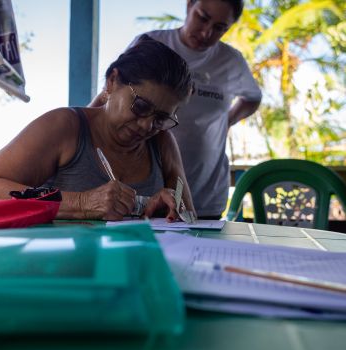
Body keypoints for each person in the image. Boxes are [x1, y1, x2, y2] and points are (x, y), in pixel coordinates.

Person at [0, 36, 195, 221]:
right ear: (112, 82)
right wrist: (81, 202)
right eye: (140, 106)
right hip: (58, 274)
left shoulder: (161, 142)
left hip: (131, 275)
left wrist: (161, 208)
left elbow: (188, 219)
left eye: (162, 118)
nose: (147, 125)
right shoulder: (65, 127)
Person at [91, 0, 262, 219]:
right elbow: (113, 91)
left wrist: (228, 120)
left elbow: (252, 98)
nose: (207, 32)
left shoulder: (231, 60)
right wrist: (80, 126)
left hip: (205, 187)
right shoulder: (152, 42)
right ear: (190, 5)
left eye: (220, 28)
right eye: (203, 17)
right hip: (147, 190)